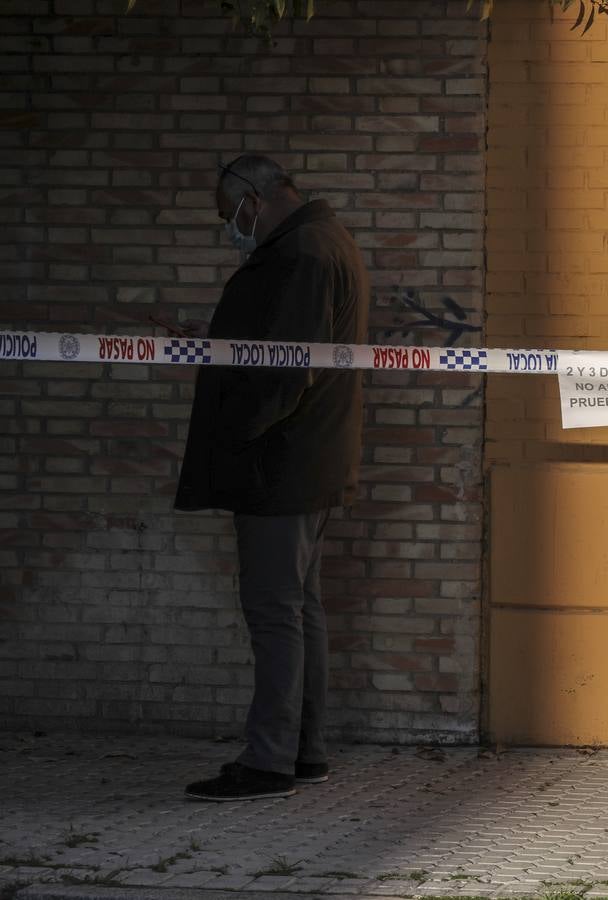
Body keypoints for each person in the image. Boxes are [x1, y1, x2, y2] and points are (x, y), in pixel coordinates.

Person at [177, 154, 369, 802]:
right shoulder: (323, 241)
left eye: (227, 215)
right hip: (306, 461)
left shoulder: (301, 255)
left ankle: (268, 763)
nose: (230, 227)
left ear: (251, 200)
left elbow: (285, 372)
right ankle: (303, 752)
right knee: (297, 608)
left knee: (274, 613)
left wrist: (236, 434)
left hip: (279, 466)